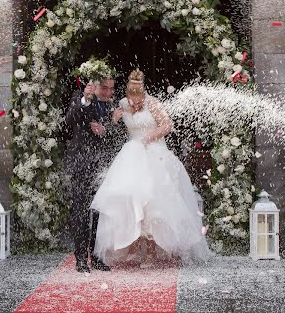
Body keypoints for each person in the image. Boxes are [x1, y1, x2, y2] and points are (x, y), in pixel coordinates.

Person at [91, 69, 211, 267]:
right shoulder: (121, 104)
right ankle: (135, 248)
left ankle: (152, 253)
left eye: (137, 101)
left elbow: (167, 125)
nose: (134, 104)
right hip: (131, 156)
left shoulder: (152, 103)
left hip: (155, 152)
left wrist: (148, 138)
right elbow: (112, 127)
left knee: (155, 203)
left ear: (143, 94)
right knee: (131, 198)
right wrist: (114, 120)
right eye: (132, 100)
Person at [65, 72, 124, 273]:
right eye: (104, 88)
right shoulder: (79, 97)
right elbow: (70, 120)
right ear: (94, 86)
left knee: (101, 213)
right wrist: (85, 100)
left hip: (103, 166)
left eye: (111, 88)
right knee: (81, 212)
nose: (109, 92)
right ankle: (81, 259)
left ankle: (97, 257)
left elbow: (119, 137)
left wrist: (110, 125)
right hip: (82, 163)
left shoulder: (113, 106)